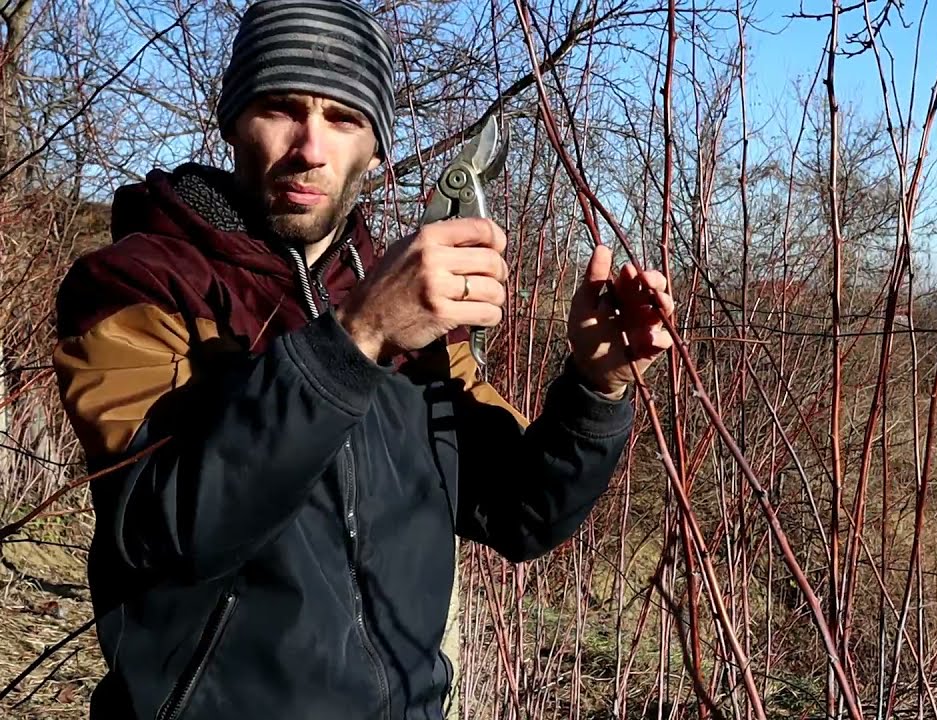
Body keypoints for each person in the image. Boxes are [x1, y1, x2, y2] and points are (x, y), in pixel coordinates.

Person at [49, 1, 675, 718]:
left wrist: (597, 386)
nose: (310, 146)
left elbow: (519, 513)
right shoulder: (136, 284)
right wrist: (357, 339)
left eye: (344, 119)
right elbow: (163, 526)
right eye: (281, 108)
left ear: (375, 148)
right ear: (232, 122)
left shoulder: (410, 313)